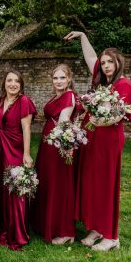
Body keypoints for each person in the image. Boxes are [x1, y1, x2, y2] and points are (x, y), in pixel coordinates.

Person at [64, 31, 131, 251]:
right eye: (103, 63)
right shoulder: (103, 82)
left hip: (108, 140)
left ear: (118, 63)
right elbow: (91, 58)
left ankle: (111, 235)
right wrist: (83, 36)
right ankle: (95, 228)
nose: (105, 66)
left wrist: (102, 122)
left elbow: (120, 115)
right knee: (92, 184)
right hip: (91, 137)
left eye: (109, 62)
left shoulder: (124, 85)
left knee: (105, 186)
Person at [0, 70, 37, 250]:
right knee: (1, 186)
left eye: (17, 81)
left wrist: (26, 153)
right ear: (4, 83)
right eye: (9, 80)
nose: (13, 84)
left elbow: (26, 129)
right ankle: (2, 225)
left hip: (15, 147)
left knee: (15, 188)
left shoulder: (24, 101)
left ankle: (16, 231)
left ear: (21, 84)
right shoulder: (0, 101)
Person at [31, 64, 78, 244]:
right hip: (47, 145)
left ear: (69, 79)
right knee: (48, 182)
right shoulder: (55, 97)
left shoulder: (69, 96)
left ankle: (66, 231)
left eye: (62, 78)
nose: (58, 81)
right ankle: (46, 223)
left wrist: (64, 143)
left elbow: (64, 121)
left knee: (60, 185)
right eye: (55, 78)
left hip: (59, 145)